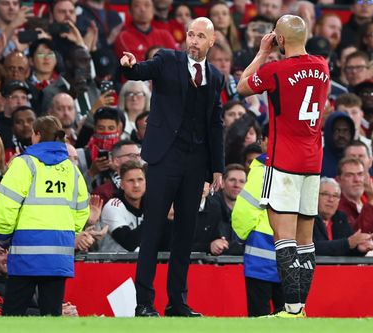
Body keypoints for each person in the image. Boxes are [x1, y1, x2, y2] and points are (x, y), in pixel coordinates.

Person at [120, 17, 224, 317]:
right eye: (190, 34)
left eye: (200, 36)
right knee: (152, 231)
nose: (193, 40)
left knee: (184, 235)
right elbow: (142, 70)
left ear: (211, 41)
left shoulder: (215, 77)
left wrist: (216, 168)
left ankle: (177, 303)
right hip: (165, 159)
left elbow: (215, 124)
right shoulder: (167, 59)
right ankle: (144, 303)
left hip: (196, 164)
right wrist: (129, 65)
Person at [237, 14, 329, 318]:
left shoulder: (276, 70)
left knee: (284, 237)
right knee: (307, 241)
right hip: (313, 162)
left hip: (284, 162)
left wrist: (262, 53)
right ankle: (301, 309)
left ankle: (290, 309)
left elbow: (241, 88)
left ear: (278, 39)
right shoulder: (323, 67)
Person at [0, 115, 90, 316]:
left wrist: (3, 237)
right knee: (51, 318)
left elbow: (4, 207)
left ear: (36, 135)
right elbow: (82, 211)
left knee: (11, 318)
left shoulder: (24, 164)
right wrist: (67, 235)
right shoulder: (72, 169)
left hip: (25, 251)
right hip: (59, 254)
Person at [232, 153, 284, 317]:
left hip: (261, 252)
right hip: (290, 253)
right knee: (288, 319)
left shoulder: (263, 169)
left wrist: (240, 238)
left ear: (266, 141)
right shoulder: (299, 169)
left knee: (259, 319)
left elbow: (245, 211)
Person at [313, 177, 373, 256]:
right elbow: (314, 248)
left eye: (335, 196)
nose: (331, 199)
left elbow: (348, 248)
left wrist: (359, 249)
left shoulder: (340, 218)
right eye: (325, 194)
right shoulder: (308, 220)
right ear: (315, 196)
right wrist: (348, 243)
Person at [99, 160, 145, 252]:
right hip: (112, 264)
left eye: (140, 180)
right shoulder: (113, 206)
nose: (136, 185)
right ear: (122, 185)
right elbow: (128, 243)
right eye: (130, 181)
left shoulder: (150, 205)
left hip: (140, 264)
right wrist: (156, 218)